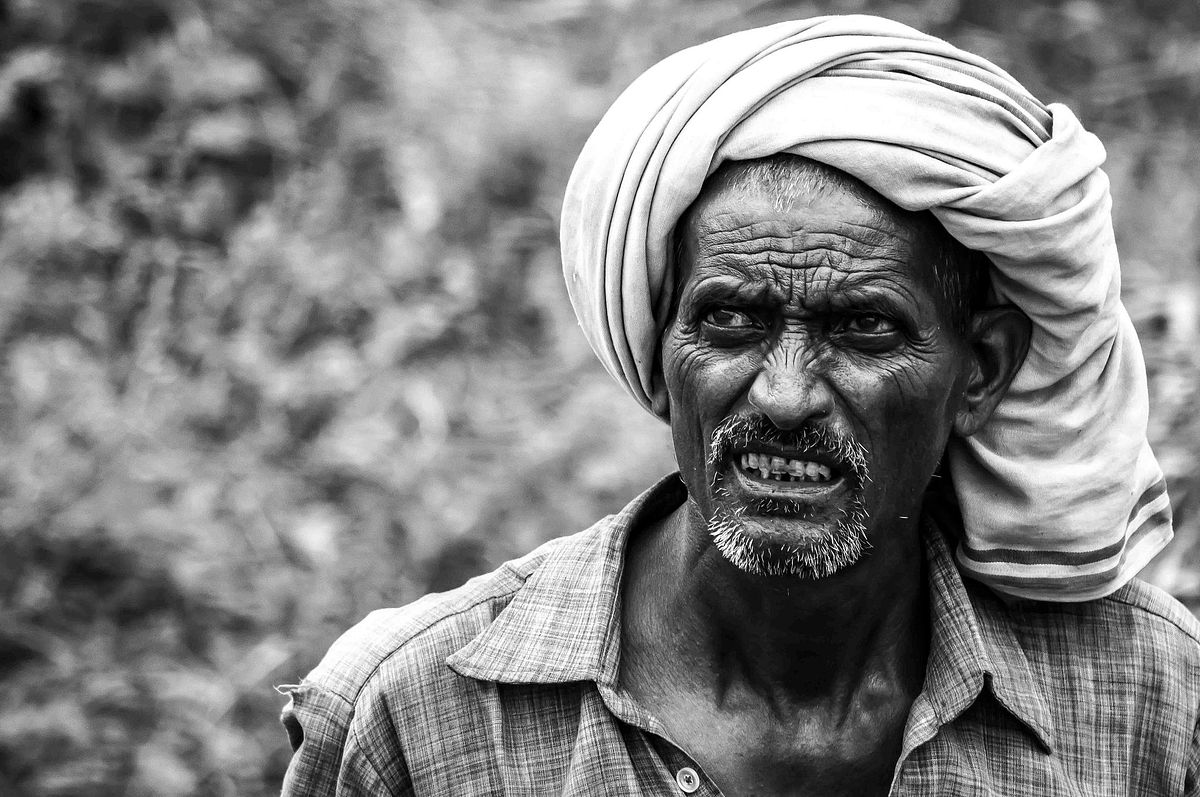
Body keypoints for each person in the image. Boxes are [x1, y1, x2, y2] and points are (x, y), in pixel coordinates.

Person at [279, 15, 1200, 796]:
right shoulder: (413, 715)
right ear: (659, 343)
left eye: (865, 328)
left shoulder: (1154, 705)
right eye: (729, 319)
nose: (787, 393)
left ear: (983, 370)